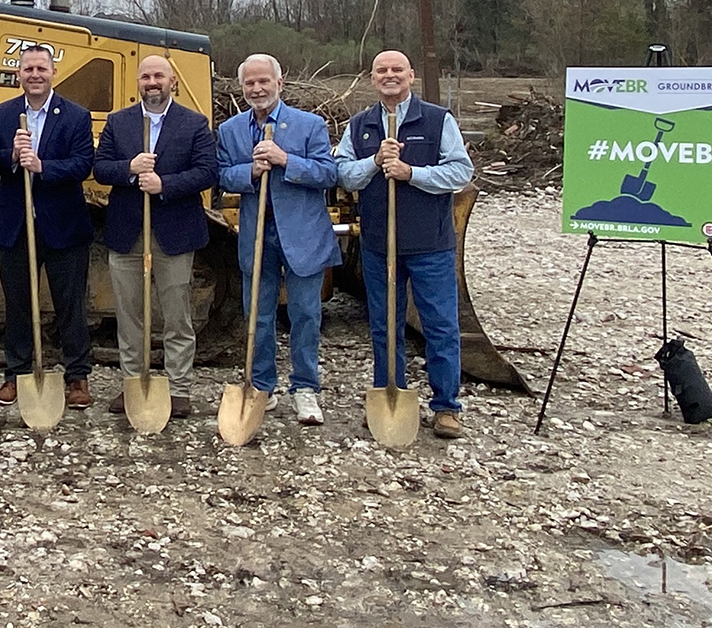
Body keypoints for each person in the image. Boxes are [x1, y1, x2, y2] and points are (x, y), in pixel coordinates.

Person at [334, 50, 474, 439]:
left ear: (410, 75)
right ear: (373, 77)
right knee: (384, 325)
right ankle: (387, 393)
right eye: (382, 70)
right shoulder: (360, 125)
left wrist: (412, 173)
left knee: (441, 326)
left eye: (398, 69)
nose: (390, 75)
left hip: (430, 244)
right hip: (380, 245)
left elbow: (462, 171)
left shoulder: (436, 120)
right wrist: (374, 162)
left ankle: (446, 407)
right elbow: (344, 174)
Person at [216, 53, 341, 425]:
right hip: (256, 234)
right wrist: (250, 171)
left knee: (305, 314)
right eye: (250, 83)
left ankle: (305, 388)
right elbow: (222, 176)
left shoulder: (309, 125)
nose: (257, 89)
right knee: (258, 312)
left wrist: (286, 160)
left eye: (263, 82)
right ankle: (261, 385)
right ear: (242, 88)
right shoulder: (231, 130)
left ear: (279, 84)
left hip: (303, 235)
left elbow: (328, 174)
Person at [93, 55, 217, 419]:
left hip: (174, 234)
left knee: (177, 315)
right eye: (146, 76)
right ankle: (134, 381)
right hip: (127, 230)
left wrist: (165, 184)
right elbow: (100, 168)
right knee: (129, 314)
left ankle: (178, 389)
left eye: (159, 76)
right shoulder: (119, 123)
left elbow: (207, 171)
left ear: (172, 81)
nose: (152, 82)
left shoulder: (194, 124)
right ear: (138, 82)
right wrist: (129, 169)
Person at [0, 43, 97, 410]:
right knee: (17, 305)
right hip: (17, 226)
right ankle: (16, 375)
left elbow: (83, 164)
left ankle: (77, 376)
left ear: (53, 73)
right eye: (28, 69)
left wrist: (43, 166)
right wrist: (12, 157)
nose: (35, 75)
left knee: (70, 306)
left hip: (63, 226)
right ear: (19, 75)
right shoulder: (2, 116)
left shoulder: (76, 116)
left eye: (41, 69)